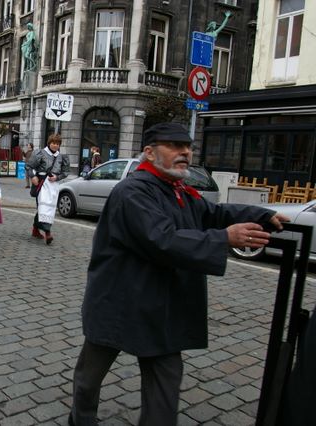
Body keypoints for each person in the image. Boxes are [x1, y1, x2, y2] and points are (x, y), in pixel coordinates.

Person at [69, 122, 289, 426]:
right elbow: (161, 239)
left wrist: (261, 214)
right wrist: (224, 239)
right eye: (174, 146)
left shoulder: (178, 189)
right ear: (150, 152)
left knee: (165, 384)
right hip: (119, 301)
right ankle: (80, 420)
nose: (185, 152)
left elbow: (213, 214)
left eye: (187, 146)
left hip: (160, 306)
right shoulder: (132, 191)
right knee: (90, 377)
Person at [27, 134, 70, 245]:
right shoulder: (40, 153)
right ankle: (48, 233)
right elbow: (29, 166)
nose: (55, 145)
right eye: (53, 143)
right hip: (41, 183)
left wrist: (57, 177)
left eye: (57, 144)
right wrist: (33, 176)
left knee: (48, 208)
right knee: (43, 207)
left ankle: (35, 229)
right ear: (49, 143)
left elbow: (65, 172)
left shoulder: (62, 157)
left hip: (53, 185)